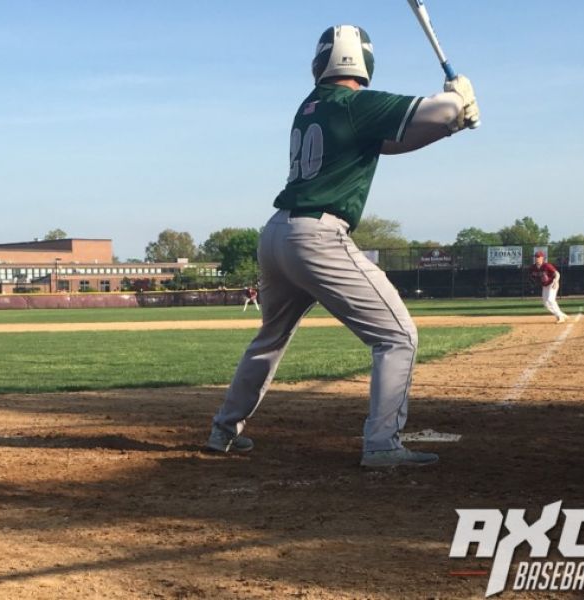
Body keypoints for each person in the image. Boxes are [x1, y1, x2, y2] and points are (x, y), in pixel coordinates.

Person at [205, 24, 480, 468]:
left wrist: (451, 124)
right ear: (364, 63)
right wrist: (456, 98)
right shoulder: (357, 104)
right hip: (316, 237)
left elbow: (391, 143)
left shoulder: (313, 106)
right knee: (398, 337)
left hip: (276, 234)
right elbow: (435, 109)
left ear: (320, 63)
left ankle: (224, 431)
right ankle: (382, 444)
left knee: (269, 338)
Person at [529, 251, 568, 323]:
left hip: (552, 284)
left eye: (538, 257)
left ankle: (560, 317)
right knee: (546, 304)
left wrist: (556, 281)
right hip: (545, 286)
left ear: (542, 258)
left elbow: (557, 273)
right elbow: (532, 277)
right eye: (536, 257)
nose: (537, 258)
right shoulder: (533, 267)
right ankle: (561, 315)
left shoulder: (547, 266)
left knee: (550, 300)